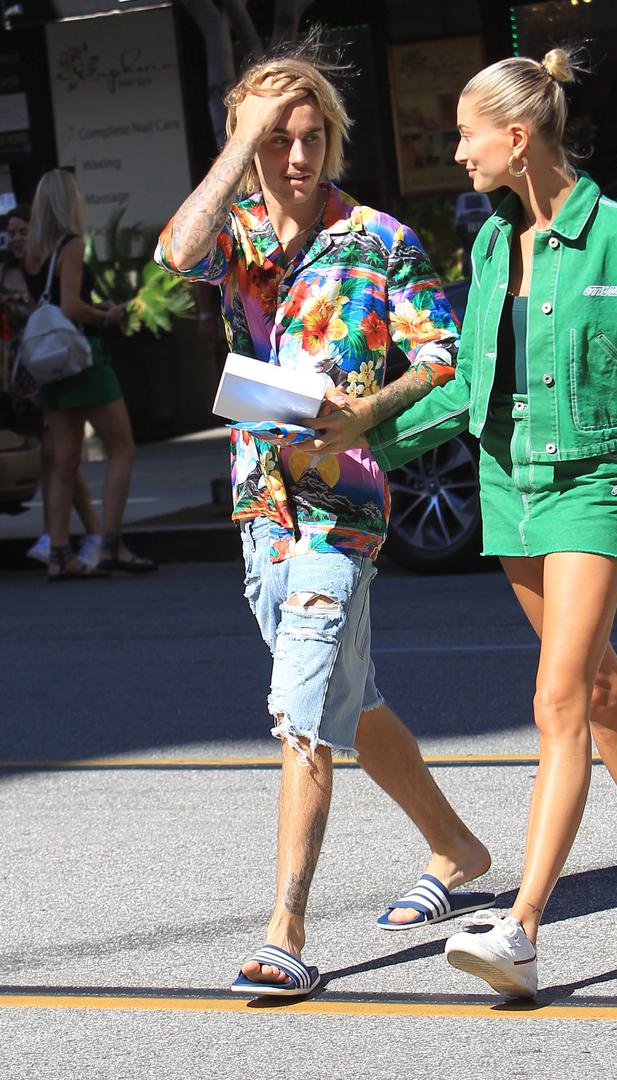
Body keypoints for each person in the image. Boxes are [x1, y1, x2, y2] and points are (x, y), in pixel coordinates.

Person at [301, 48, 617, 999]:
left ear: (516, 139)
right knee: (599, 691)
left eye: (466, 135)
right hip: (508, 490)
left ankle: (519, 926)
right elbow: (468, 390)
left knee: (556, 700)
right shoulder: (489, 246)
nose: (456, 151)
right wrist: (358, 442)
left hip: (591, 485)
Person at [155, 42, 492, 998]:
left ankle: (286, 930)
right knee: (349, 695)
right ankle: (455, 846)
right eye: (277, 139)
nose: (297, 155)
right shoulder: (236, 238)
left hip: (343, 502)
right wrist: (242, 142)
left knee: (300, 704)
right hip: (260, 498)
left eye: (310, 136)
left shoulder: (377, 239)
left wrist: (366, 413)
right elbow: (177, 254)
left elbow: (440, 352)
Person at [24, 170, 157, 579]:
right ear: (69, 203)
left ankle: (59, 553)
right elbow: (70, 307)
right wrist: (107, 315)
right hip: (82, 357)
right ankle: (111, 544)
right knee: (123, 448)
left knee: (63, 461)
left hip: (48, 363)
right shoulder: (71, 245)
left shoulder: (32, 251)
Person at [1, 204, 105, 569]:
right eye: (11, 233)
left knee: (57, 454)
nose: (16, 238)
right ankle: (71, 536)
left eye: (22, 231)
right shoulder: (11, 272)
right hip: (15, 375)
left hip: (41, 370)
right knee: (56, 456)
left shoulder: (41, 268)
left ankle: (74, 536)